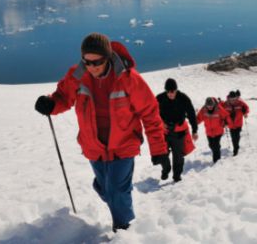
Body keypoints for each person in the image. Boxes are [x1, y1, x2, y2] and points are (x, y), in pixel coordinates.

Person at [33, 33, 169, 233]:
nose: (92, 66)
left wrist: (158, 148)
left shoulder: (128, 78)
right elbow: (63, 97)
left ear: (107, 57)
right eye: (87, 62)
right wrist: (51, 104)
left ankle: (123, 228)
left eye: (97, 62)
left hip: (124, 145)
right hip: (94, 147)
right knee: (107, 189)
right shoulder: (77, 75)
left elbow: (149, 113)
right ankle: (113, 195)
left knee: (116, 188)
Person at [155, 78, 198, 182]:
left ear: (176, 90)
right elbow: (152, 113)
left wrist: (194, 130)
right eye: (168, 91)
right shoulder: (159, 98)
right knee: (162, 154)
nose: (170, 94)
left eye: (172, 91)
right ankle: (166, 169)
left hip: (179, 131)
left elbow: (192, 114)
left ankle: (177, 176)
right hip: (164, 131)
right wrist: (161, 123)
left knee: (178, 156)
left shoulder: (183, 98)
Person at [196, 97, 230, 164]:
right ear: (206, 105)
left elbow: (226, 116)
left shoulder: (218, 108)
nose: (210, 107)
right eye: (208, 106)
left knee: (215, 145)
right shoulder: (204, 109)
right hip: (209, 132)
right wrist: (195, 123)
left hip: (218, 131)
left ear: (214, 104)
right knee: (211, 145)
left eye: (211, 105)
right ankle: (217, 150)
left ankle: (216, 161)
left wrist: (225, 123)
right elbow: (199, 118)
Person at [223, 90, 250, 156]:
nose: (233, 100)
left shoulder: (240, 103)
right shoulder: (226, 104)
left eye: (234, 99)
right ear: (229, 98)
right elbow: (222, 112)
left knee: (237, 136)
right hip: (230, 124)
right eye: (231, 99)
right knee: (233, 137)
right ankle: (235, 149)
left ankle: (236, 147)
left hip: (238, 123)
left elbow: (246, 108)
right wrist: (224, 121)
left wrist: (245, 113)